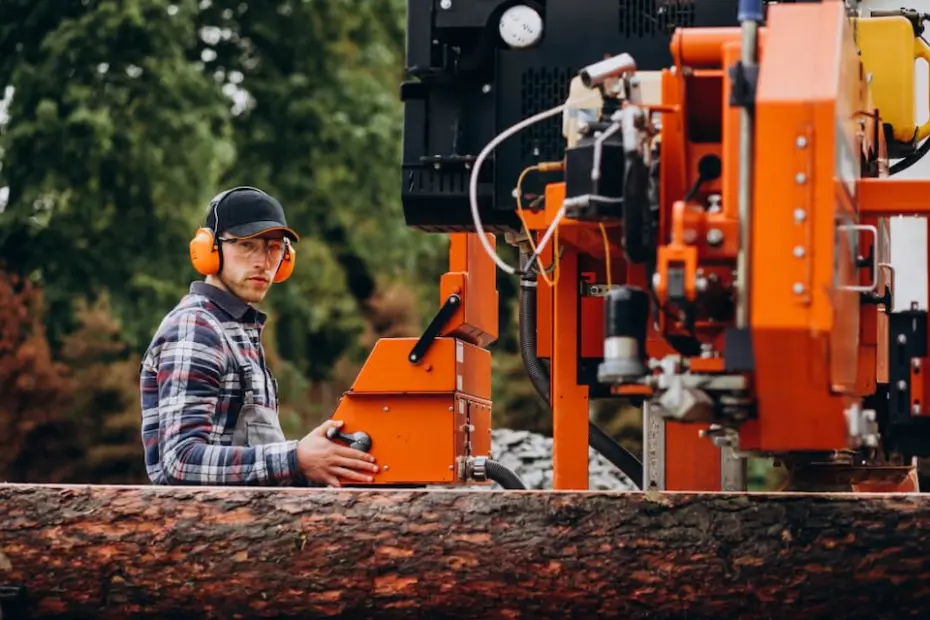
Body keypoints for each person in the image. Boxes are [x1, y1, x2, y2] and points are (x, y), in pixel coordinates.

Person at [139, 186, 379, 487]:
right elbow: (180, 461)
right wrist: (296, 458)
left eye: (274, 248)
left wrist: (321, 463)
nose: (263, 262)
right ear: (209, 251)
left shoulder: (236, 330)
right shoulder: (196, 328)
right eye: (247, 245)